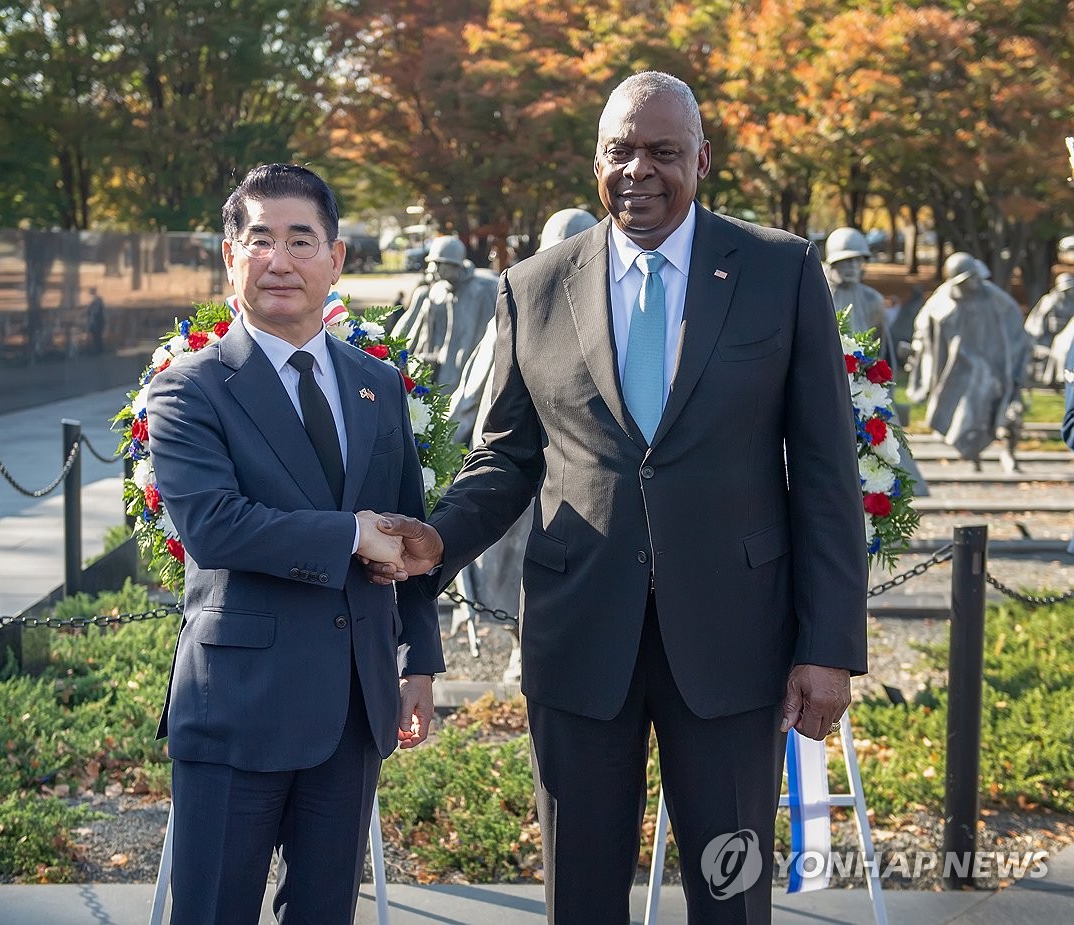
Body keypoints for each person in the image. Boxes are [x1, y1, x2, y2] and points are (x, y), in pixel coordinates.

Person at [370, 72, 867, 924]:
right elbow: (507, 456)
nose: (639, 170)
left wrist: (830, 645)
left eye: (663, 152)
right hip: (579, 637)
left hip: (733, 638)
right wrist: (437, 542)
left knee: (730, 888)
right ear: (595, 159)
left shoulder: (780, 272)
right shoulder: (533, 285)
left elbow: (825, 472)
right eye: (620, 150)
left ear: (702, 159)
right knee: (582, 893)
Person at [144, 163, 444, 925]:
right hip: (236, 705)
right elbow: (214, 524)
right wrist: (349, 534)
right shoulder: (189, 388)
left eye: (301, 240)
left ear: (335, 258)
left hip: (351, 707)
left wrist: (421, 663)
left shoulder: (378, 387)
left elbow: (406, 531)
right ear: (229, 255)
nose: (280, 260)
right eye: (260, 240)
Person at [447, 207, 599, 676]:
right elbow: (477, 382)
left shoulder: (605, 307)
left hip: (570, 464)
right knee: (507, 559)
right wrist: (450, 433)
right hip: (511, 455)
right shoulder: (522, 297)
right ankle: (519, 642)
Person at [906, 251, 1031, 472]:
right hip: (958, 369)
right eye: (968, 279)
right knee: (966, 412)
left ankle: (1007, 453)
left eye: (975, 277)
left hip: (995, 367)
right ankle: (973, 454)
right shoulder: (943, 300)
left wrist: (1016, 363)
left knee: (1005, 410)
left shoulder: (993, 297)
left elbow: (1015, 331)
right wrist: (917, 349)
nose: (975, 283)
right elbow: (923, 328)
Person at [390, 235, 498, 389]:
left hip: (470, 371)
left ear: (454, 265)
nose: (433, 269)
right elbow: (423, 333)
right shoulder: (437, 291)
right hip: (440, 370)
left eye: (439, 264)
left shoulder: (481, 292)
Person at [823, 227, 893, 367]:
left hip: (862, 379)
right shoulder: (818, 297)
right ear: (833, 262)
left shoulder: (873, 300)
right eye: (847, 260)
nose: (853, 266)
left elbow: (882, 350)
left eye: (858, 260)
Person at [1025, 272, 1074, 385]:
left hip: (1066, 335)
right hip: (1047, 334)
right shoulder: (1049, 300)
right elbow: (1037, 320)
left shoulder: (1072, 301)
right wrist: (1037, 336)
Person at [86, 287, 106, 353]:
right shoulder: (95, 299)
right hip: (96, 320)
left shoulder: (97, 300)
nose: (90, 293)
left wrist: (89, 310)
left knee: (97, 336)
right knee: (96, 336)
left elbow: (96, 311)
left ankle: (99, 350)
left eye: (91, 291)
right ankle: (98, 349)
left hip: (97, 320)